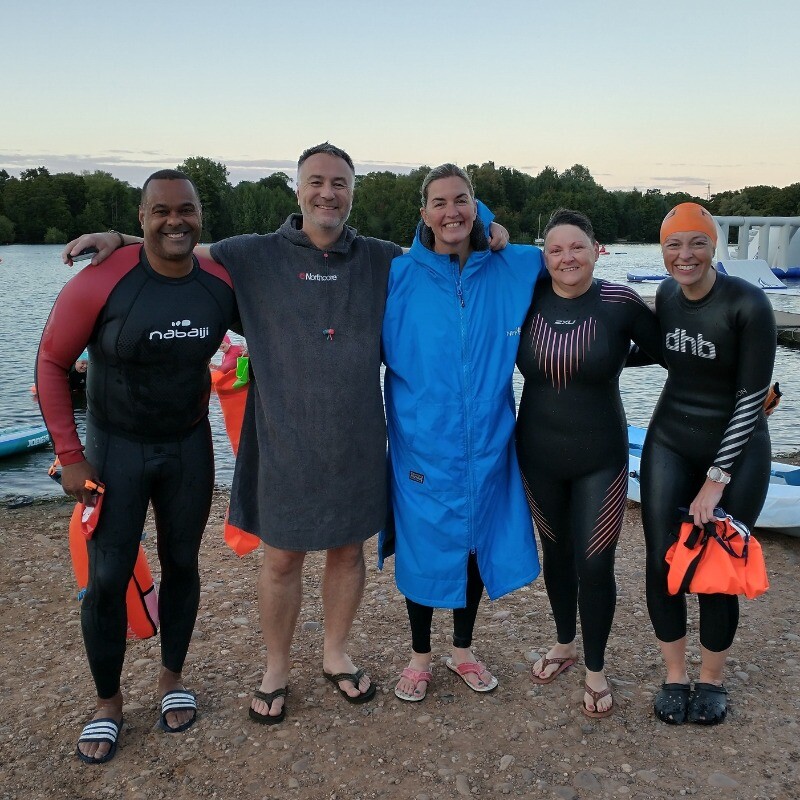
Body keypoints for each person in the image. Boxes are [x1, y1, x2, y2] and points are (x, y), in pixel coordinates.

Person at [62, 142, 510, 725]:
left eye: (341, 184)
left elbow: (446, 241)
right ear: (297, 190)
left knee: (348, 553)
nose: (329, 193)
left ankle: (335, 655)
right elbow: (174, 248)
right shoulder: (250, 255)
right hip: (281, 438)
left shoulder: (381, 259)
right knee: (281, 560)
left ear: (353, 192)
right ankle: (276, 667)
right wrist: (121, 239)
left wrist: (492, 225)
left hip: (355, 438)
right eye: (317, 182)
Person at [38, 170, 238, 763]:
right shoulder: (102, 281)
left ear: (200, 215)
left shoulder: (221, 284)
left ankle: (171, 678)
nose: (175, 221)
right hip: (113, 450)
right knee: (106, 578)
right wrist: (69, 456)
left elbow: (285, 321)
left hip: (187, 447)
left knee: (182, 565)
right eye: (161, 211)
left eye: (187, 210)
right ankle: (107, 703)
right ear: (143, 216)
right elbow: (51, 363)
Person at [380, 164, 544, 701]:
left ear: (476, 206)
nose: (452, 212)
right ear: (423, 212)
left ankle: (463, 650)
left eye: (463, 201)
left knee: (476, 541)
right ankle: (420, 656)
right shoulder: (398, 277)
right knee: (423, 545)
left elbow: (573, 265)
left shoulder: (513, 267)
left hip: (489, 439)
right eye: (440, 202)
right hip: (422, 439)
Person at [515, 209, 662, 718]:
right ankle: (563, 643)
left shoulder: (619, 301)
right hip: (537, 453)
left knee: (594, 562)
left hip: (601, 455)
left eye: (576, 247)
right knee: (556, 555)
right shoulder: (527, 298)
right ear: (544, 257)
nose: (566, 258)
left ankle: (596, 667)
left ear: (596, 249)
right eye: (555, 250)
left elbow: (671, 349)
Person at [641, 202, 776, 725]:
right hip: (671, 437)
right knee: (662, 561)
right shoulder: (667, 295)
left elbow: (751, 400)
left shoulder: (749, 304)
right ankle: (675, 674)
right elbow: (657, 351)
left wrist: (715, 482)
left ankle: (712, 678)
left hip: (737, 448)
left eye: (696, 242)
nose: (685, 255)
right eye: (674, 244)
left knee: (717, 568)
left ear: (713, 245)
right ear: (663, 250)